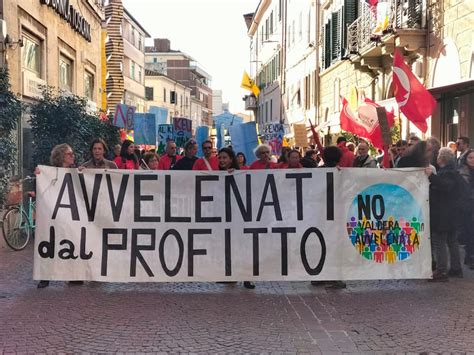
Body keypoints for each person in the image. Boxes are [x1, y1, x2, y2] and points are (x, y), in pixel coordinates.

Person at [37, 144, 83, 289]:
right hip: (53, 215)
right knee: (50, 243)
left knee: (70, 244)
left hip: (70, 215)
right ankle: (45, 275)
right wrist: (39, 175)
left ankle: (72, 275)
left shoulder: (75, 172)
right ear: (61, 156)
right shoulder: (50, 173)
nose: (73, 156)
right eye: (70, 154)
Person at [217, 147, 255, 290]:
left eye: (224, 157)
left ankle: (248, 277)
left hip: (239, 217)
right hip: (224, 216)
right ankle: (230, 275)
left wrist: (236, 175)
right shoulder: (216, 174)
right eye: (220, 158)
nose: (221, 160)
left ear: (231, 159)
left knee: (243, 247)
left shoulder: (241, 173)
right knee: (228, 247)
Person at [425, 148, 464, 281]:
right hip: (452, 213)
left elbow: (444, 186)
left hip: (443, 214)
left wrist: (432, 176)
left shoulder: (447, 173)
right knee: (452, 241)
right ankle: (456, 268)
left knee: (439, 242)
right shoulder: (454, 171)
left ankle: (441, 271)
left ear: (440, 159)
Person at [458, 149, 474, 269]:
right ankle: (470, 256)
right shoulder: (462, 171)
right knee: (469, 231)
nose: (472, 160)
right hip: (467, 206)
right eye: (470, 158)